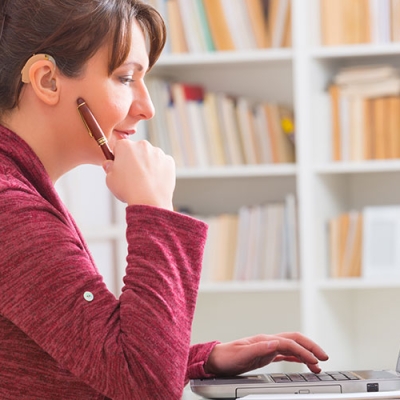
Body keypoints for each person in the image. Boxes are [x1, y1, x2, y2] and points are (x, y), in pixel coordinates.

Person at [0, 0, 328, 399]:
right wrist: (154, 209)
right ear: (48, 80)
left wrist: (197, 360)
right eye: (125, 78)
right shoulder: (10, 208)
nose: (148, 107)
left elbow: (95, 360)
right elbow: (146, 387)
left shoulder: (20, 192)